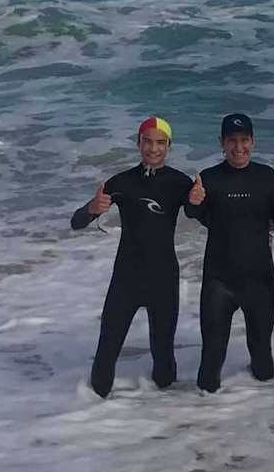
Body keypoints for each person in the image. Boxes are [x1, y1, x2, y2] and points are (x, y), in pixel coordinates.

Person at [70, 117, 193, 398]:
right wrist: (91, 207)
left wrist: (198, 202)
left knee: (163, 361)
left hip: (163, 279)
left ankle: (165, 425)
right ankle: (95, 419)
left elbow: (207, 217)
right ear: (138, 143)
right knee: (107, 352)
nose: (153, 148)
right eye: (147, 142)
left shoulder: (179, 183)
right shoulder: (122, 182)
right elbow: (77, 222)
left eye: (160, 143)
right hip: (127, 278)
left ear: (169, 146)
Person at [186, 113, 274, 393]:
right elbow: (196, 214)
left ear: (253, 141)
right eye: (231, 141)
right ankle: (202, 423)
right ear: (221, 143)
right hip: (219, 282)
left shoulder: (266, 177)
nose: (238, 147)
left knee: (263, 364)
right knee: (210, 367)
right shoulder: (209, 179)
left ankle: (261, 425)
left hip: (259, 281)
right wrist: (192, 202)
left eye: (244, 140)